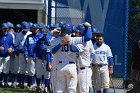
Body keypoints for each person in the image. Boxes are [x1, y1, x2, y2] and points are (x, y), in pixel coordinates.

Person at [71, 24, 95, 93]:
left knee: (83, 91)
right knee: (77, 90)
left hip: (84, 70)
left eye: (77, 32)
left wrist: (88, 62)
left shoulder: (86, 42)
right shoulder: (81, 41)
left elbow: (73, 49)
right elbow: (92, 53)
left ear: (81, 32)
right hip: (78, 69)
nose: (75, 33)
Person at [24, 23, 42, 90]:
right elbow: (25, 46)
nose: (34, 30)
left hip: (39, 56)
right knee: (31, 71)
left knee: (38, 72)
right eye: (33, 28)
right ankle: (31, 85)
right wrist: (26, 55)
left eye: (35, 29)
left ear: (38, 29)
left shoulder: (41, 36)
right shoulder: (29, 36)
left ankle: (38, 85)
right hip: (31, 56)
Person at [15, 21, 32, 88]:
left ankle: (29, 84)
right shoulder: (18, 35)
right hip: (21, 53)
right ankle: (22, 83)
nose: (26, 31)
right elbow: (15, 45)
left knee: (29, 69)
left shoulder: (30, 34)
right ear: (22, 28)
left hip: (29, 54)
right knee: (22, 69)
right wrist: (19, 50)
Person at [0, 23, 14, 88]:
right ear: (2, 28)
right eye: (4, 29)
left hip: (7, 55)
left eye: (6, 29)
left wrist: (11, 48)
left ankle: (5, 83)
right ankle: (0, 81)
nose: (5, 30)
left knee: (6, 70)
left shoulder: (10, 35)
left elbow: (12, 44)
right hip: (0, 55)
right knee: (0, 69)